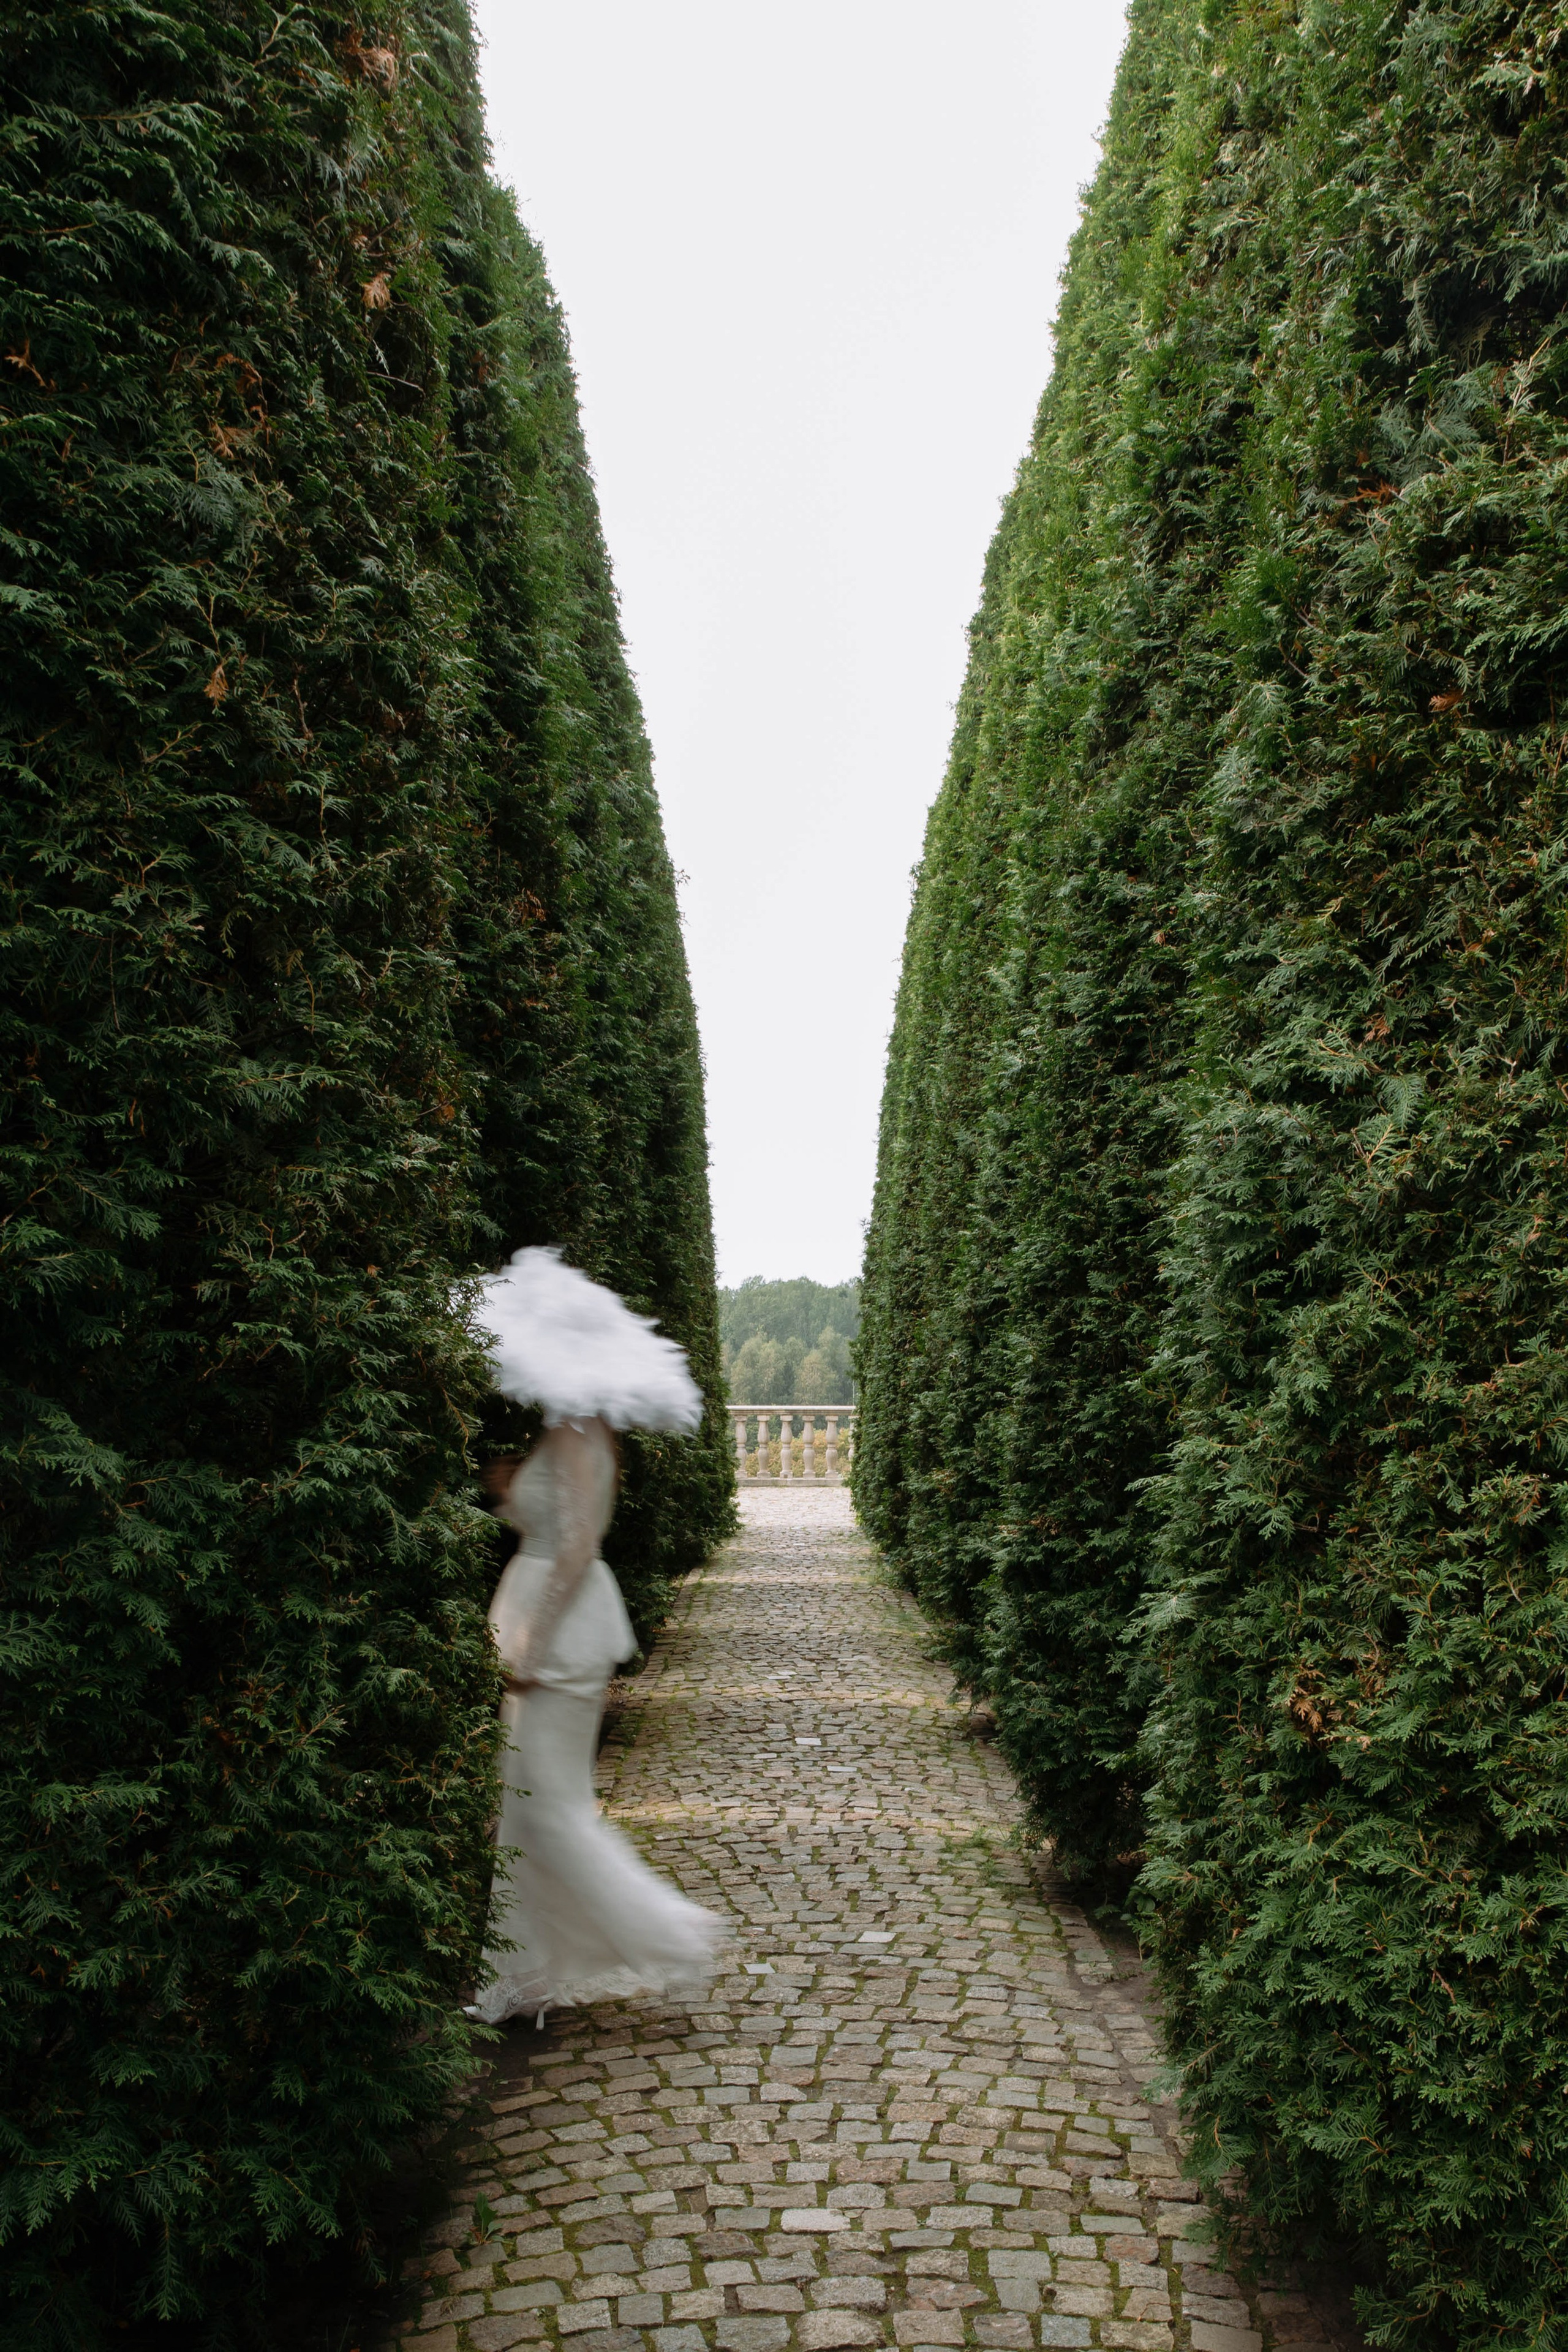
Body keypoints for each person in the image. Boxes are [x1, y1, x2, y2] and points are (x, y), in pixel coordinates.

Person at [465, 1246, 723, 2027]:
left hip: (560, 1635)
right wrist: (510, 1490)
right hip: (542, 1620)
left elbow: (577, 1548)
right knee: (530, 1809)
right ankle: (530, 1974)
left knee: (550, 1812)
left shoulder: (580, 1435)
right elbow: (546, 1528)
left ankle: (671, 1934)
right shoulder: (562, 1431)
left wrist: (531, 1649)